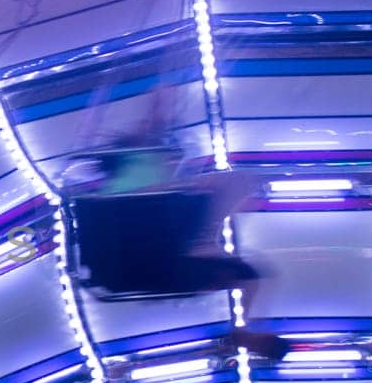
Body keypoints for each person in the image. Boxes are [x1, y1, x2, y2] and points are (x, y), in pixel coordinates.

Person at [72, 112, 290, 359]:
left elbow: (245, 277)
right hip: (133, 230)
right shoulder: (193, 251)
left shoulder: (183, 237)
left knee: (232, 185)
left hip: (145, 225)